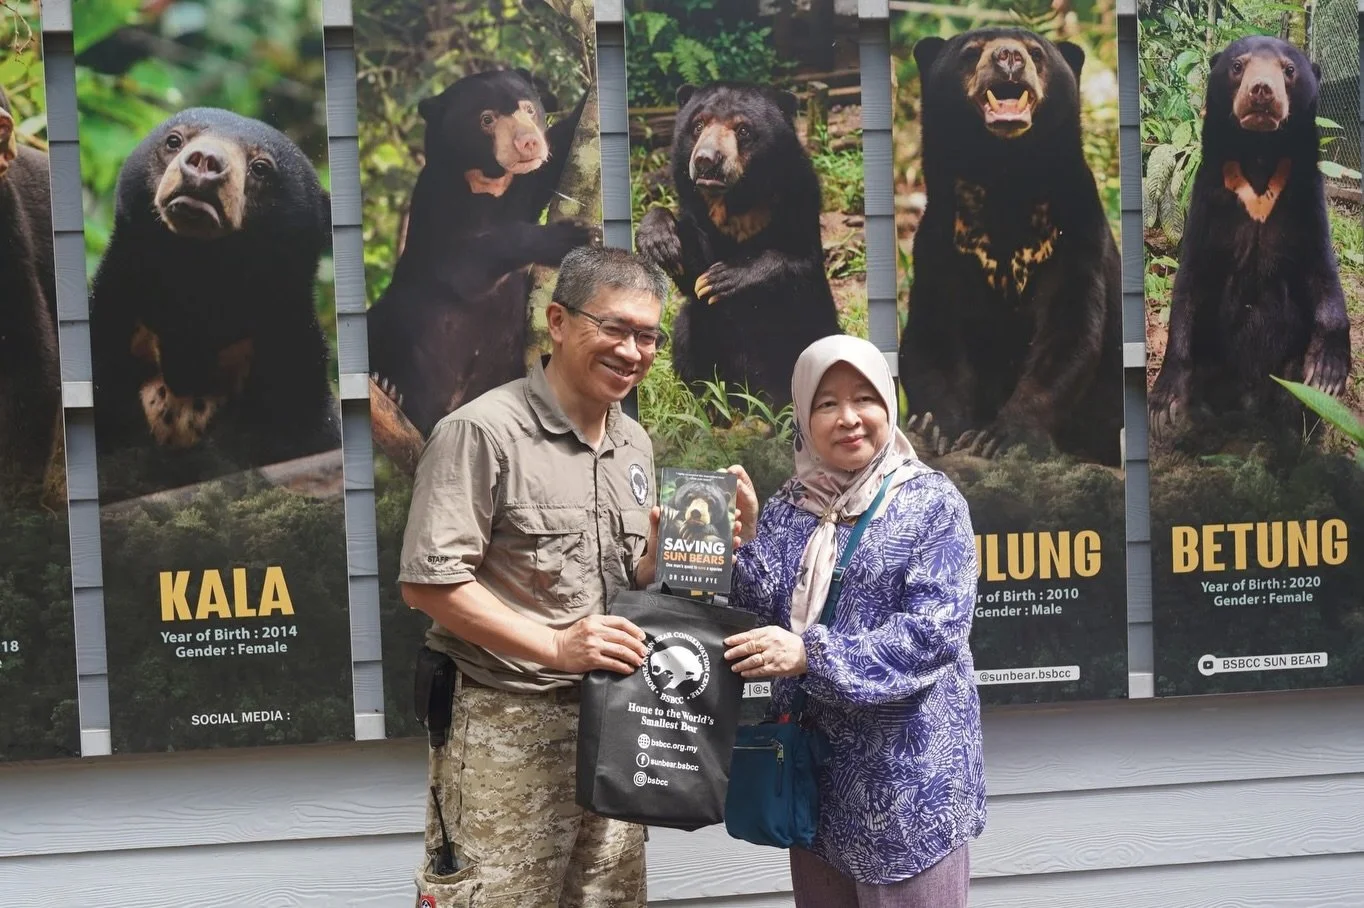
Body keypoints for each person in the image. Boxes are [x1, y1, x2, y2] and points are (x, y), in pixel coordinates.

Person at [399, 245, 677, 908]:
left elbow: (627, 582)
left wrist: (674, 554)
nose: (632, 351)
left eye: (648, 336)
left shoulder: (632, 443)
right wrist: (555, 646)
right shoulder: (481, 432)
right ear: (557, 321)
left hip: (613, 725)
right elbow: (429, 584)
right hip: (504, 726)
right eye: (613, 329)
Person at [723, 335, 987, 908]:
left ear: (889, 406)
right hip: (817, 781)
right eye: (826, 404)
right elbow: (770, 614)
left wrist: (810, 654)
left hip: (908, 782)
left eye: (864, 398)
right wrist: (743, 543)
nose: (848, 419)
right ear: (803, 415)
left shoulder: (931, 504)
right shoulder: (791, 503)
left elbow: (933, 635)